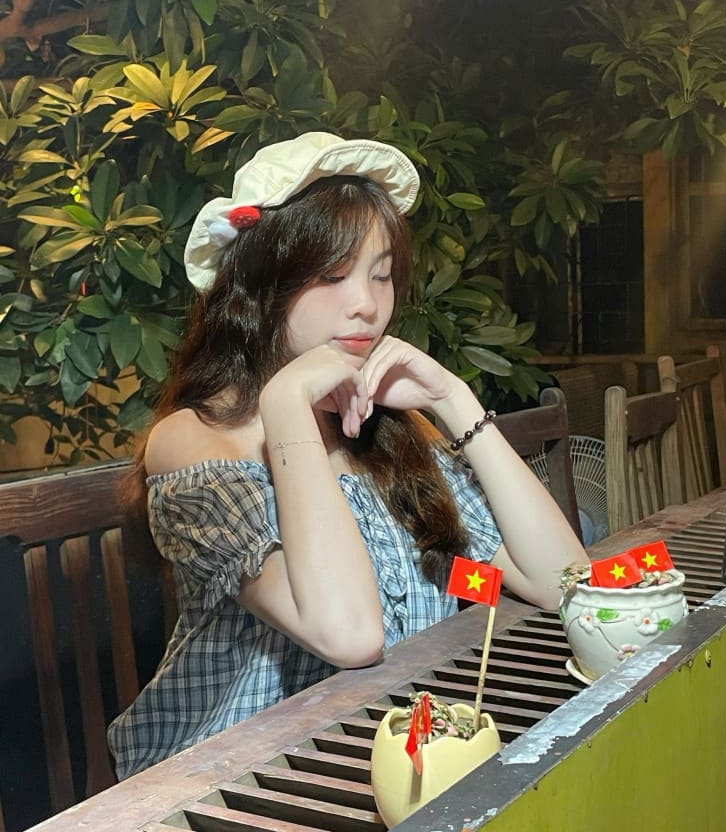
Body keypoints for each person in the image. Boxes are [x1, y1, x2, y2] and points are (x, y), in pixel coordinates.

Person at [107, 131, 586, 778]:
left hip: (390, 747)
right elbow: (349, 635)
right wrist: (286, 404)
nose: (367, 304)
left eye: (381, 275)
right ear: (261, 287)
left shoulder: (389, 430)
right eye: (333, 276)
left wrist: (454, 399)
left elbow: (561, 584)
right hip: (239, 779)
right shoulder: (197, 441)